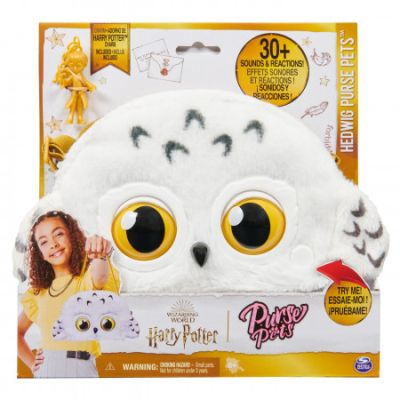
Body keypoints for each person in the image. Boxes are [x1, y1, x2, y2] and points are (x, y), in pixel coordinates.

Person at [18, 210, 120, 378]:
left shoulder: (86, 280)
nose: (53, 244)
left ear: (72, 236)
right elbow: (16, 332)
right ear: (40, 254)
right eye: (43, 242)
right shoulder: (38, 293)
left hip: (82, 367)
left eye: (58, 234)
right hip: (46, 369)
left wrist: (99, 255)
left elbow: (100, 277)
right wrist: (32, 364)